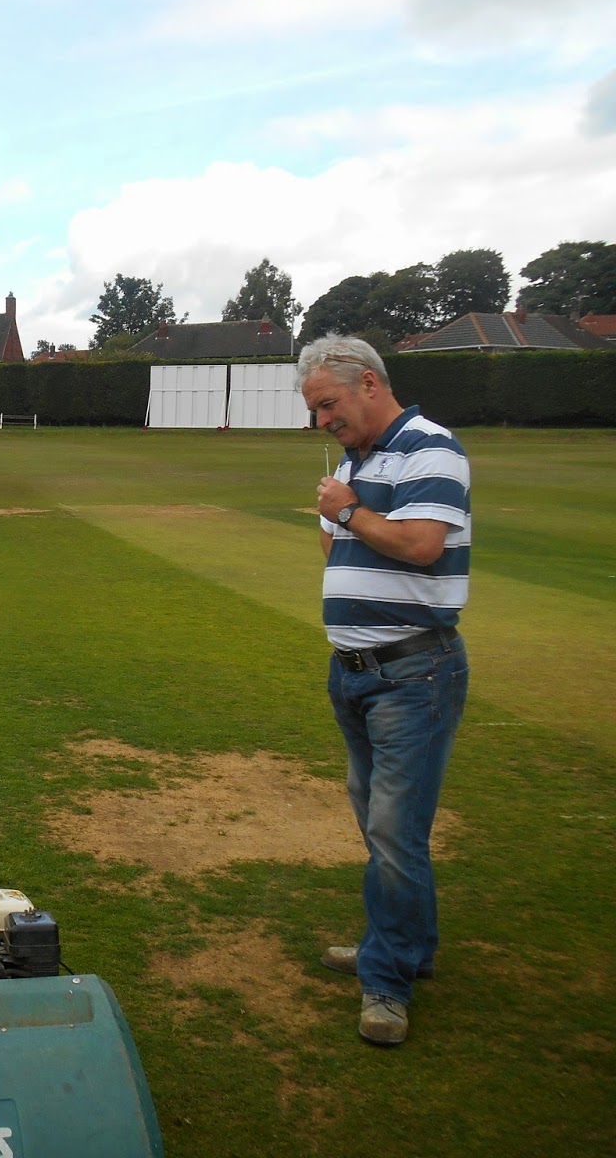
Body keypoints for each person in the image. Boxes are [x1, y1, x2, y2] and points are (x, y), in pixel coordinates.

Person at [297, 334, 471, 1047]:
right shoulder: (356, 459)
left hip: (413, 673)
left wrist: (345, 511)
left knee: (394, 836)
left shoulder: (431, 447)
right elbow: (341, 547)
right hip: (356, 672)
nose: (321, 422)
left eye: (328, 406)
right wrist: (342, 516)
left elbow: (423, 545)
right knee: (382, 826)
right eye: (313, 411)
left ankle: (387, 981)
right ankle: (407, 947)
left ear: (369, 383)